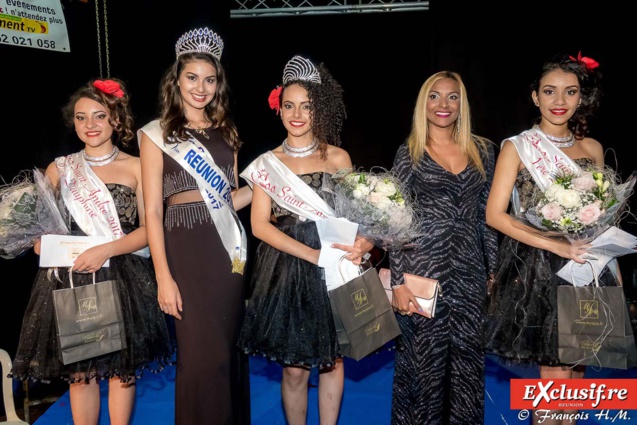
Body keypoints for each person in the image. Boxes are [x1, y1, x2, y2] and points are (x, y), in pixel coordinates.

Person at [9, 78, 174, 425]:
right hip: (71, 279)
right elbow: (42, 224)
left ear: (116, 118)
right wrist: (39, 241)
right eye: (82, 118)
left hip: (122, 275)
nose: (90, 125)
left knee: (119, 372)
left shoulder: (137, 166)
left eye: (99, 116)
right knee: (81, 375)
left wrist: (106, 250)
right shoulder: (60, 168)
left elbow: (149, 230)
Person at [237, 55, 373, 425]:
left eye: (307, 106)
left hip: (336, 265)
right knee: (294, 368)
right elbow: (261, 226)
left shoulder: (338, 157)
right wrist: (311, 256)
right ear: (278, 110)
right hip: (288, 268)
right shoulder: (267, 163)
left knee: (333, 360)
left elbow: (361, 217)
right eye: (290, 105)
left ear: (320, 110)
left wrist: (368, 243)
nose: (297, 114)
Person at [484, 52, 609, 425]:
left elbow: (600, 212)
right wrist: (556, 245)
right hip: (540, 268)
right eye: (550, 92)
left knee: (578, 375)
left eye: (570, 92)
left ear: (580, 97)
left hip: (588, 266)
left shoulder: (593, 149)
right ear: (535, 97)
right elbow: (494, 214)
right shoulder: (517, 148)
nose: (559, 101)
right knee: (554, 379)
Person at [138, 26, 251, 425]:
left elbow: (232, 199)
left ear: (218, 83)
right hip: (184, 254)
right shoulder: (157, 135)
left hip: (226, 254)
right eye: (192, 78)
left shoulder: (228, 132)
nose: (200, 87)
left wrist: (265, 185)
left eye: (209, 79)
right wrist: (163, 278)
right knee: (200, 358)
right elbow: (151, 211)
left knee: (226, 351)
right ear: (177, 80)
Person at [388, 71, 498, 425]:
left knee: (468, 368)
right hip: (422, 273)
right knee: (422, 369)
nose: (443, 105)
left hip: (469, 273)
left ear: (461, 103)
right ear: (424, 103)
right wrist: (397, 281)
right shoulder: (410, 152)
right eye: (434, 96)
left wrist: (492, 271)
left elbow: (487, 216)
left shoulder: (483, 150)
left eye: (452, 97)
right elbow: (392, 220)